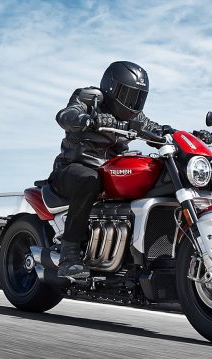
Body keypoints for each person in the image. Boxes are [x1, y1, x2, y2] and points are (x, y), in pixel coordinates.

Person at [48, 61, 171, 277]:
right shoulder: (87, 98)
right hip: (72, 168)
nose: (132, 103)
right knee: (89, 179)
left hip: (108, 172)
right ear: (111, 88)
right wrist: (85, 118)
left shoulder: (134, 117)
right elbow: (65, 115)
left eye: (138, 97)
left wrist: (174, 134)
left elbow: (151, 127)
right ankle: (70, 254)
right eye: (127, 95)